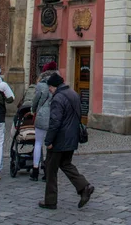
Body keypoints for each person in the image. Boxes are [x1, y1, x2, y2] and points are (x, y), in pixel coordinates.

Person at [39, 72, 94, 210]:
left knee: (51, 169)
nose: (49, 90)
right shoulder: (73, 93)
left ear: (54, 86)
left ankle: (50, 201)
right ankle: (84, 186)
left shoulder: (58, 98)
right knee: (66, 164)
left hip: (59, 139)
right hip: (72, 137)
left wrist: (49, 140)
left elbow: (55, 122)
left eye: (50, 88)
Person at [29, 61, 58, 181]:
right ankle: (47, 171)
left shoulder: (40, 85)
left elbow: (35, 101)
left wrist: (33, 110)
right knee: (50, 145)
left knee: (38, 143)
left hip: (41, 116)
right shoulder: (58, 84)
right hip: (53, 117)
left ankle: (35, 170)